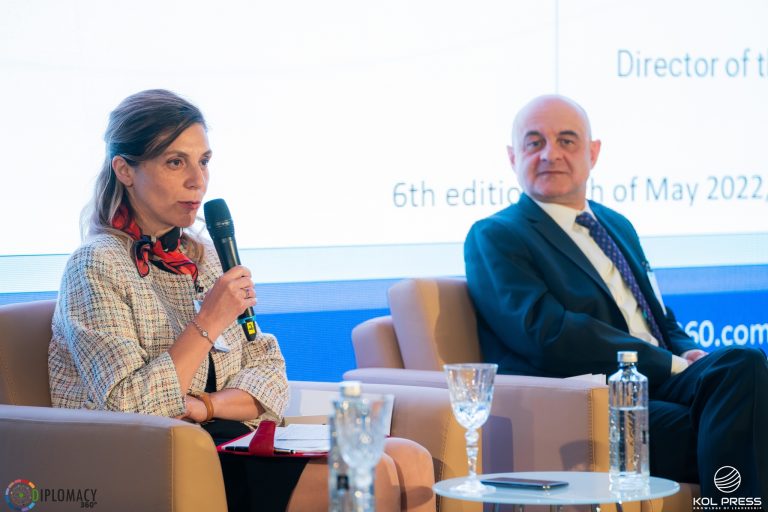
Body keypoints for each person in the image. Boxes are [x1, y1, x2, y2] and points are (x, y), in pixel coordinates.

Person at [48, 89, 436, 512]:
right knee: (371, 472)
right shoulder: (96, 264)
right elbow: (128, 407)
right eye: (175, 162)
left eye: (203, 161)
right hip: (156, 459)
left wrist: (205, 406)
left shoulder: (202, 257)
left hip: (228, 437)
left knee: (410, 459)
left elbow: (269, 372)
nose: (197, 180)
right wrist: (208, 322)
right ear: (124, 169)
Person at [464, 94, 767, 505]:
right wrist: (669, 363)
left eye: (566, 140)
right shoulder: (497, 235)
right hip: (594, 398)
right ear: (512, 156)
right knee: (742, 422)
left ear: (593, 153)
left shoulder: (615, 224)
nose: (550, 154)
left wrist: (686, 351)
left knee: (743, 366)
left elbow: (656, 314)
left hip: (660, 380)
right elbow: (546, 333)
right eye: (534, 142)